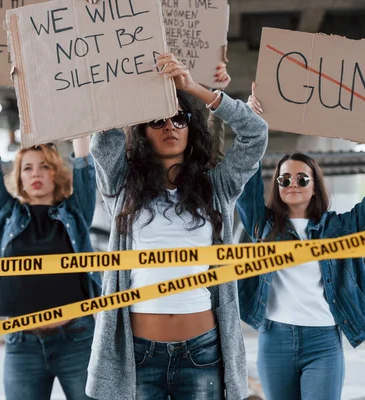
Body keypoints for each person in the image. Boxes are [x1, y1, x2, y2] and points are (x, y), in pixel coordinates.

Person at [86, 53, 268, 400]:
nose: (170, 127)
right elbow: (103, 141)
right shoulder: (122, 189)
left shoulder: (218, 187)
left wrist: (195, 89)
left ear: (191, 128)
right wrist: (139, 90)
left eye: (179, 119)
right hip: (139, 354)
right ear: (143, 133)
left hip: (202, 352)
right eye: (157, 121)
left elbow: (255, 135)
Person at [238, 87, 365, 400]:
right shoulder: (263, 224)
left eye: (302, 179)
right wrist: (251, 125)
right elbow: (247, 183)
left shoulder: (336, 227)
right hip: (275, 339)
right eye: (284, 179)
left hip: (323, 340)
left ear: (315, 187)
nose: (292, 184)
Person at [0, 64, 101, 400]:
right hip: (22, 344)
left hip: (77, 338)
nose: (36, 173)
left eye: (44, 165)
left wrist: (79, 97)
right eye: (28, 167)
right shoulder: (7, 214)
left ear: (56, 171)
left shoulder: (74, 212)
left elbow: (85, 159)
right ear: (19, 176)